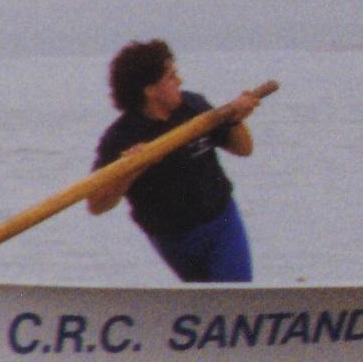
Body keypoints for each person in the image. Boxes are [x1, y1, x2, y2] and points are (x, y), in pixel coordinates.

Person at [87, 39, 266, 282]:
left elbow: (244, 149)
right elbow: (96, 205)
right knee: (204, 297)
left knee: (233, 292)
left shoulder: (194, 107)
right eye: (171, 77)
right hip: (173, 237)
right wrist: (133, 168)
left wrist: (235, 119)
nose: (179, 81)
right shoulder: (120, 137)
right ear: (150, 90)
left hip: (223, 220)